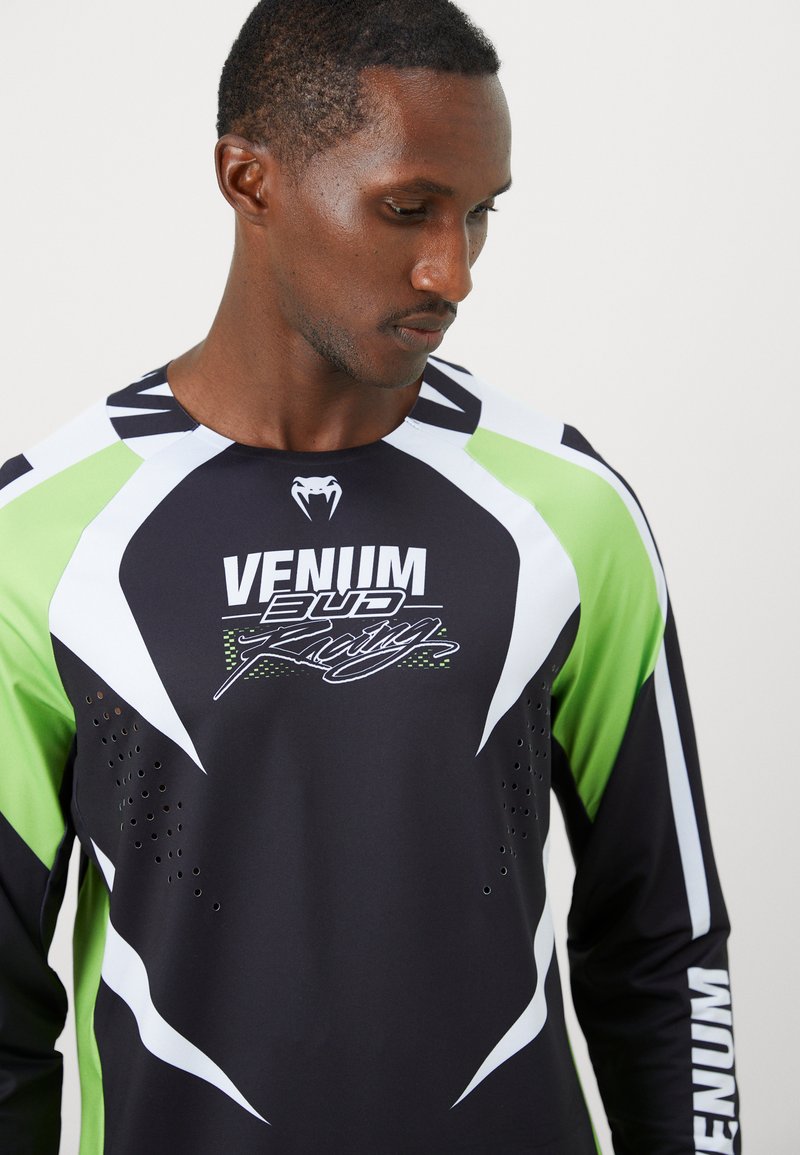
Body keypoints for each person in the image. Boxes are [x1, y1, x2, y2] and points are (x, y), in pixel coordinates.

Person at [0, 1, 740, 1152]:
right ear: (248, 180)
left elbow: (663, 946)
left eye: (478, 214)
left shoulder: (563, 510)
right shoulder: (43, 536)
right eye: (407, 209)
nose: (452, 271)